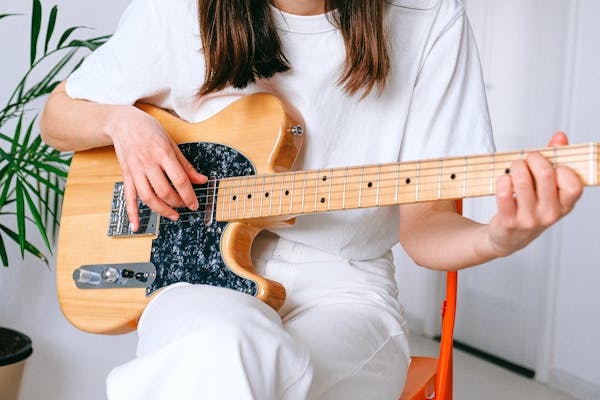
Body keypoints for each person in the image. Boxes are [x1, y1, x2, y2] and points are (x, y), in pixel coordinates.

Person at [40, 0, 583, 398]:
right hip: (195, 278)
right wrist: (122, 122)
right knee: (217, 346)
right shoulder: (180, 10)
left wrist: (500, 235)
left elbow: (425, 231)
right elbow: (56, 118)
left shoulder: (431, 17)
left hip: (349, 289)